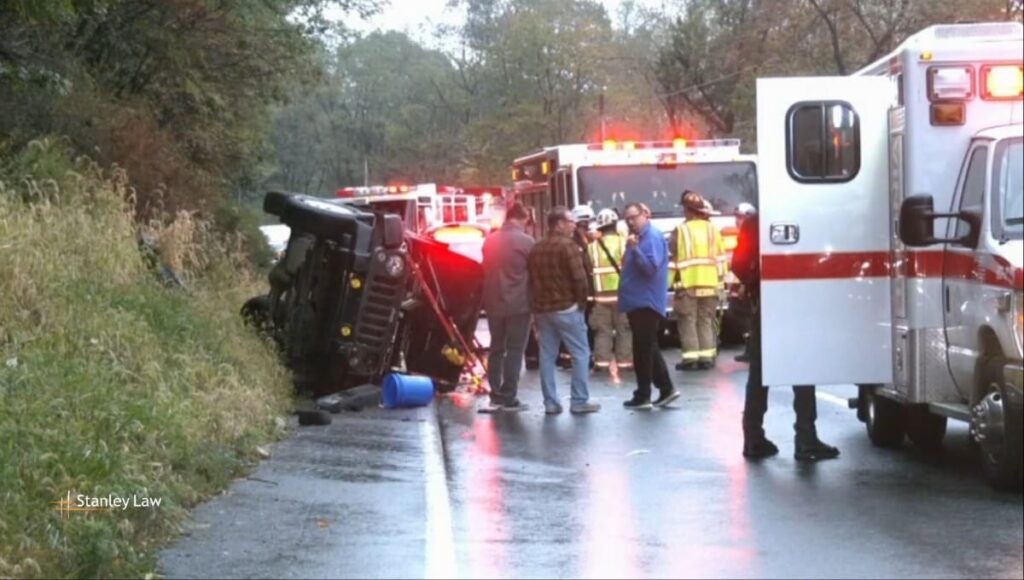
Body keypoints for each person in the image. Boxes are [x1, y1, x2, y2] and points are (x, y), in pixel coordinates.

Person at [734, 211, 840, 461]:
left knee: (760, 372)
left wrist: (756, 284)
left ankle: (753, 438)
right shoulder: (806, 214)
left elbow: (738, 262)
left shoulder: (755, 220)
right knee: (802, 369)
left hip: (767, 304)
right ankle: (805, 437)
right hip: (800, 300)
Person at [527, 207, 601, 415]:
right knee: (580, 353)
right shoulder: (568, 247)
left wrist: (535, 308)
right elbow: (580, 279)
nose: (574, 225)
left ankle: (551, 402)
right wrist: (581, 305)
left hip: (543, 310)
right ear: (559, 223)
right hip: (567, 308)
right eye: (570, 221)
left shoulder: (537, 247)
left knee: (547, 356)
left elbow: (531, 280)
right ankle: (579, 400)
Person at [619, 202, 680, 410]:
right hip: (637, 300)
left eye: (633, 217)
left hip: (645, 301)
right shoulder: (638, 238)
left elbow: (650, 268)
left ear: (645, 215)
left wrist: (635, 250)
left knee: (642, 350)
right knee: (648, 347)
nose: (630, 222)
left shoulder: (651, 237)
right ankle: (665, 388)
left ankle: (643, 394)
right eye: (626, 218)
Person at [481, 202, 535, 411]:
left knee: (496, 348)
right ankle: (509, 395)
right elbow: (534, 273)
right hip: (519, 304)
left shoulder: (490, 241)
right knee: (515, 350)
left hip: (493, 302)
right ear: (521, 218)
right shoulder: (526, 242)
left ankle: (495, 393)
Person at [669, 190, 725, 371]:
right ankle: (707, 357)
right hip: (710, 284)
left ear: (687, 210)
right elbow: (721, 258)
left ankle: (690, 358)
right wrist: (721, 283)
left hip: (688, 284)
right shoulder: (713, 230)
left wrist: (667, 283)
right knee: (706, 320)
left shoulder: (681, 230)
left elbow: (672, 258)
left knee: (688, 321)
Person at [588, 208, 633, 374]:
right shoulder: (625, 243)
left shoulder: (592, 248)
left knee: (602, 332)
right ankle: (625, 363)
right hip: (623, 296)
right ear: (615, 225)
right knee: (624, 330)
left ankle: (602, 364)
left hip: (601, 297)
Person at [732, 202, 757, 364]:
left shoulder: (750, 232)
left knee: (750, 315)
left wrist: (745, 284)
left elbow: (743, 262)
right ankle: (750, 347)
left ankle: (752, 349)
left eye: (741, 217)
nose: (738, 221)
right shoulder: (742, 232)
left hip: (751, 283)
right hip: (746, 282)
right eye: (737, 217)